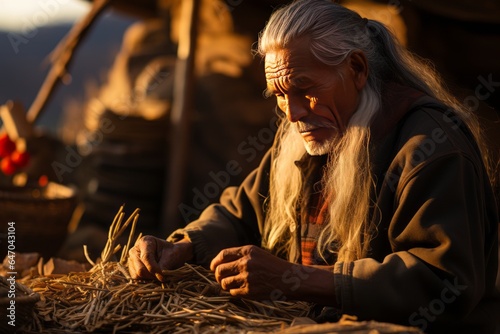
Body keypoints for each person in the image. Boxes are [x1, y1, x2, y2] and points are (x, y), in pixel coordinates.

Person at [128, 0, 499, 332]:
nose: (293, 113)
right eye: (279, 96)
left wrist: (294, 278)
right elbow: (241, 211)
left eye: (304, 88)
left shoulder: (429, 148)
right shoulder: (307, 132)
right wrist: (185, 245)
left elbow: (444, 283)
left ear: (356, 68)